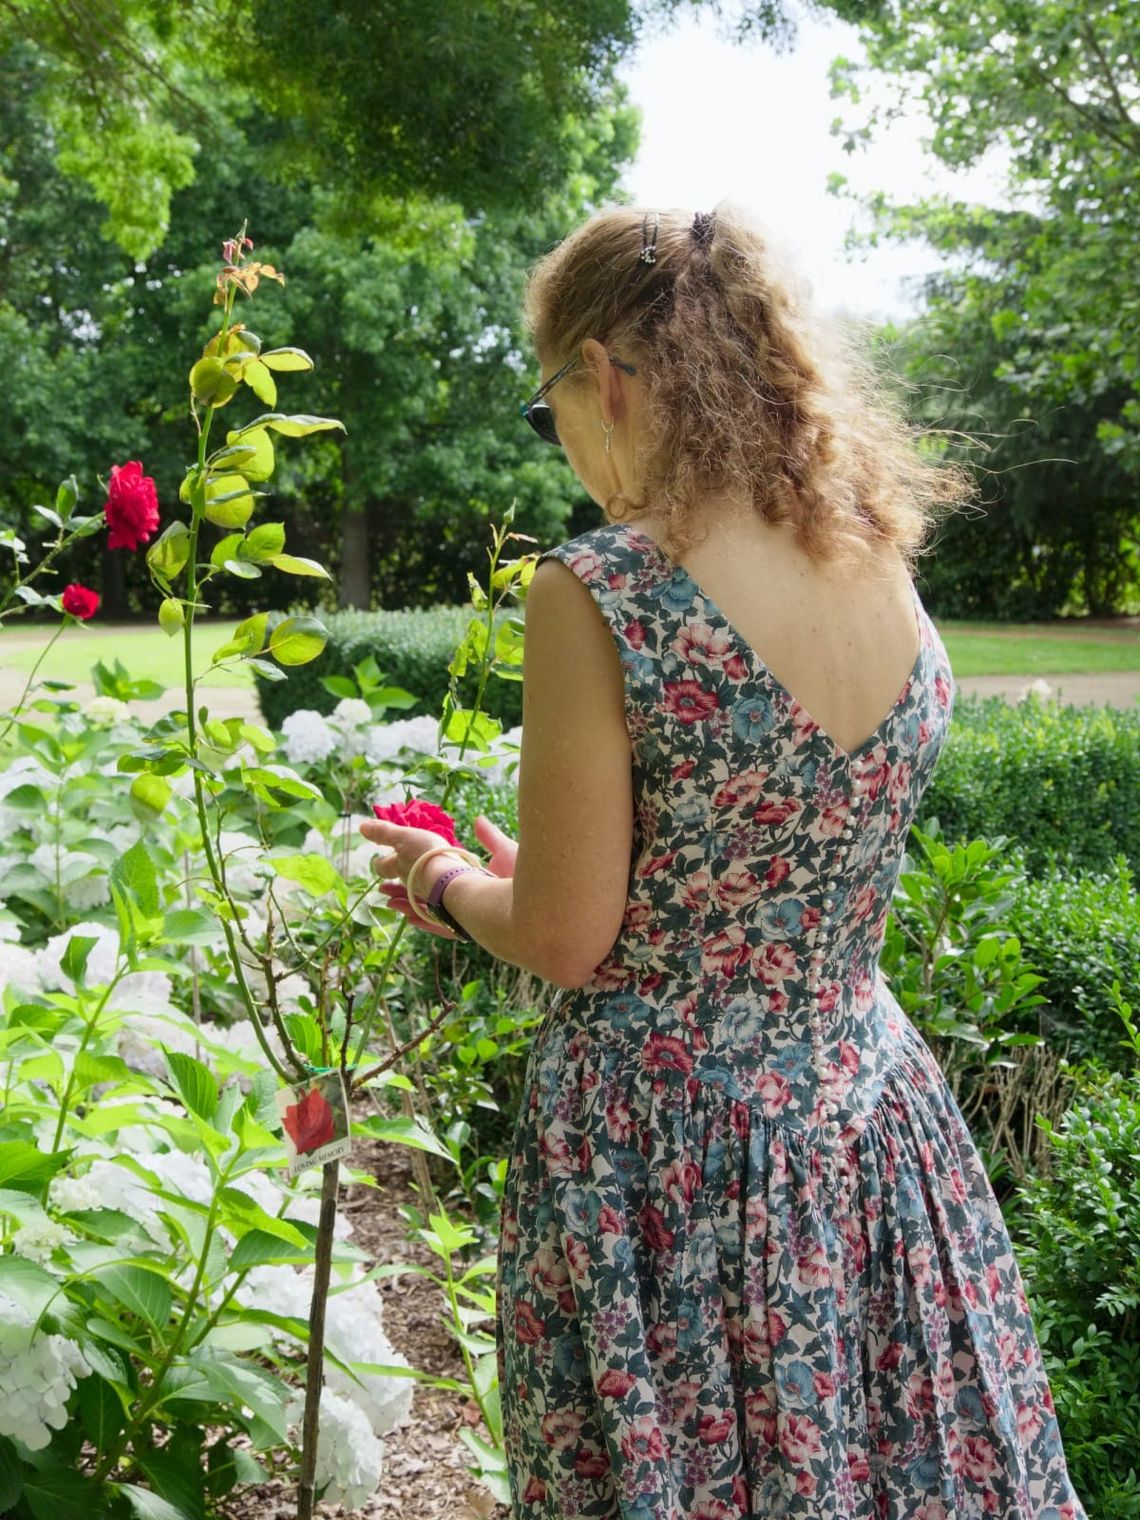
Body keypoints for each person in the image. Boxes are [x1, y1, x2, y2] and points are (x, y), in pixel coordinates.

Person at [361, 203, 1089, 1519]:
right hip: (866, 1115)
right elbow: (764, 853)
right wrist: (558, 877)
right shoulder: (877, 563)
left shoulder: (601, 590)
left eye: (549, 403)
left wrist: (446, 887)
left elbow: (568, 940)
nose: (560, 438)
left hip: (668, 1152)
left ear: (605, 377)